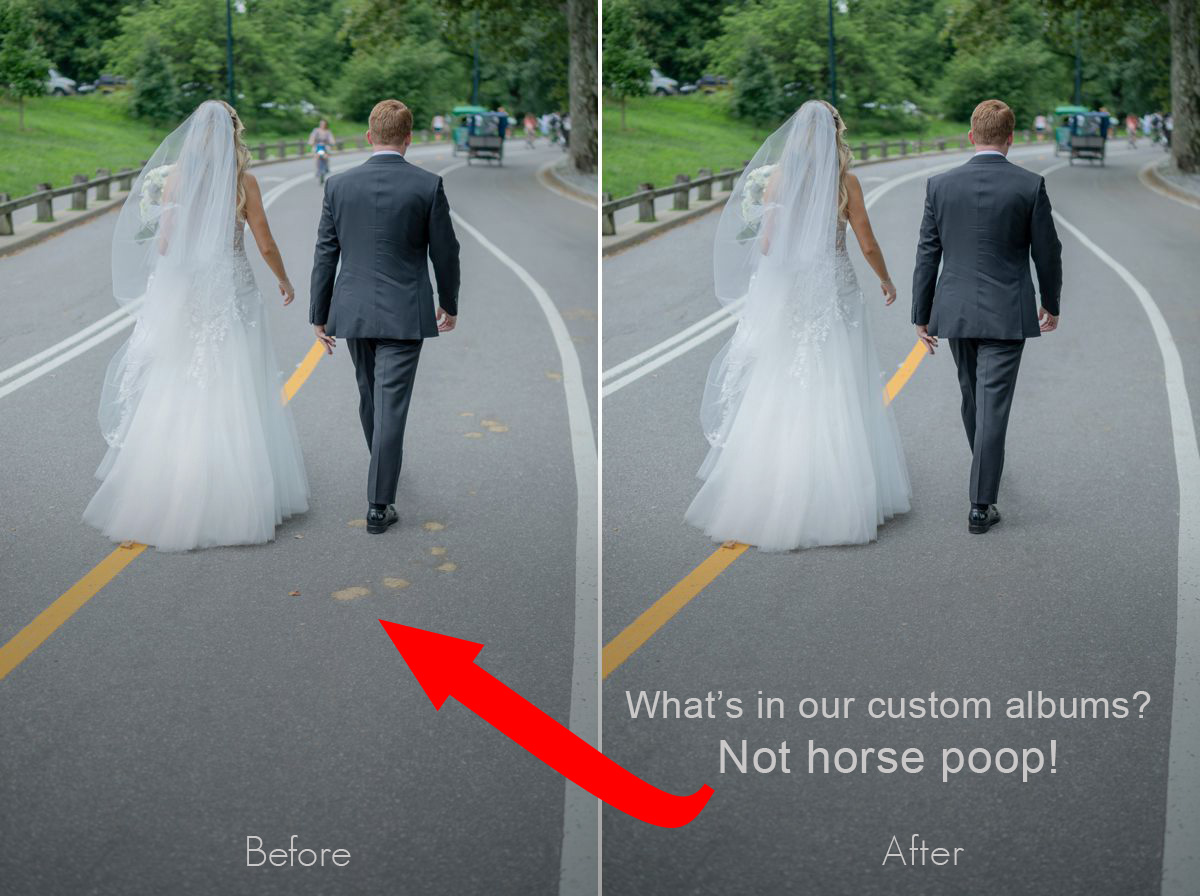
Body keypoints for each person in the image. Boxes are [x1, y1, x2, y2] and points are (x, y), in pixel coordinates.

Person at [684, 100, 911, 551]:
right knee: (840, 378)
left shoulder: (779, 180)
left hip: (793, 294)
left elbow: (767, 245)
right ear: (835, 134)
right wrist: (886, 278)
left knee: (783, 380)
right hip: (835, 289)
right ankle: (840, 486)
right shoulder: (845, 182)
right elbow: (865, 241)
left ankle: (769, 484)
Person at [84, 100, 309, 550]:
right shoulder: (243, 181)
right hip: (232, 289)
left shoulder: (176, 180)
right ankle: (235, 485)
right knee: (236, 379)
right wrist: (284, 279)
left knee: (180, 380)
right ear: (232, 134)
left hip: (191, 293)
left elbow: (165, 244)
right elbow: (263, 242)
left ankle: (167, 482)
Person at [309, 99, 461, 535]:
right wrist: (449, 302)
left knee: (369, 394)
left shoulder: (338, 186)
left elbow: (326, 253)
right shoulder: (427, 186)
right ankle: (379, 502)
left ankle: (382, 464)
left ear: (369, 137)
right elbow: (445, 251)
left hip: (353, 309)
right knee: (388, 403)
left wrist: (319, 314)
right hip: (404, 311)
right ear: (409, 138)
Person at [911, 99, 1062, 534]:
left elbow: (928, 253)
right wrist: (1051, 302)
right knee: (990, 403)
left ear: (971, 136)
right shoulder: (1030, 186)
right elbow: (1047, 253)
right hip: (1007, 311)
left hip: (955, 308)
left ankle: (984, 469)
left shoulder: (939, 185)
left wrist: (921, 314)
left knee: (972, 396)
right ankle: (981, 502)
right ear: (1011, 139)